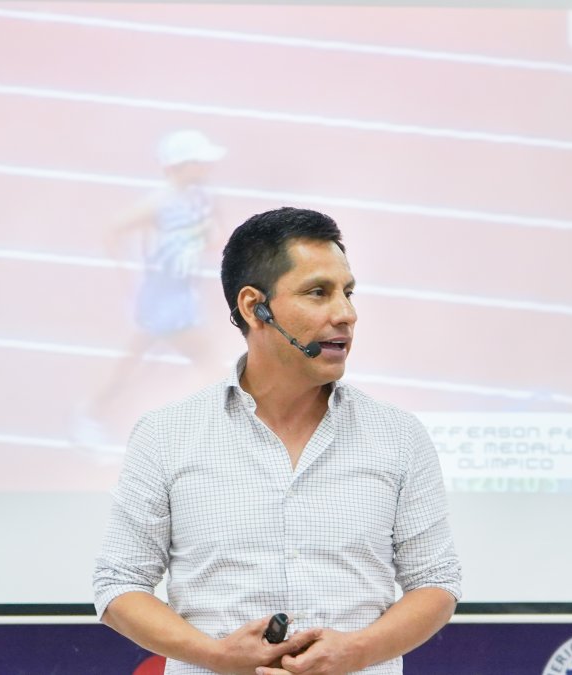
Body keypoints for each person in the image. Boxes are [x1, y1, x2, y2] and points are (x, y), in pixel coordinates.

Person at [93, 207, 462, 674]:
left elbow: (436, 582)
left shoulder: (398, 435)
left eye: (347, 293)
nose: (345, 314)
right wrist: (217, 656)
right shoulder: (167, 434)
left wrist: (356, 652)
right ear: (254, 307)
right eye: (318, 293)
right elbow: (118, 584)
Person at [73, 130, 228, 450]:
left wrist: (208, 236)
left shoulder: (202, 197)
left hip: (182, 296)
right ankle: (219, 435)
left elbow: (212, 237)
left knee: (132, 365)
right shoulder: (159, 204)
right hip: (162, 299)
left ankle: (90, 415)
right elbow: (113, 230)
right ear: (182, 167)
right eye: (201, 161)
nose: (209, 165)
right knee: (209, 363)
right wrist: (128, 278)